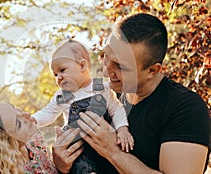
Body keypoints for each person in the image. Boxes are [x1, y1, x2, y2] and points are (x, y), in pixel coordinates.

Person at [52, 13, 210, 174]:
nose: (106, 72)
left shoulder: (186, 109)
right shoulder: (104, 96)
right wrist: (63, 165)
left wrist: (113, 152)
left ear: (152, 70)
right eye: (105, 56)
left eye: (120, 67)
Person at [32, 40, 134, 173]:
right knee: (80, 165)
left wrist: (122, 129)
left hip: (105, 142)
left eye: (62, 70)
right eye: (55, 74)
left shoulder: (101, 87)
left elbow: (116, 109)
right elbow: (48, 113)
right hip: (79, 148)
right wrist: (33, 120)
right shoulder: (63, 96)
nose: (59, 77)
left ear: (82, 65)